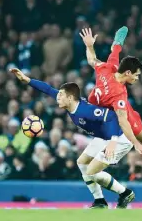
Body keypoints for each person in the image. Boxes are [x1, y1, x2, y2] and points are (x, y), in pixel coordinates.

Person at [10, 68, 135, 209]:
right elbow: (48, 89)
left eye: (61, 95)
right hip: (103, 137)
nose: (57, 97)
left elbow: (111, 116)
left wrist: (112, 141)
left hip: (120, 137)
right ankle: (100, 201)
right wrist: (27, 80)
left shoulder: (85, 111)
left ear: (70, 98)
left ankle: (125, 193)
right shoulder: (71, 104)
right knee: (82, 163)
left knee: (92, 172)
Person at [81, 27, 142, 199]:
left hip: (112, 115)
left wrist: (91, 46)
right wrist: (136, 144)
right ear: (128, 73)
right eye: (136, 75)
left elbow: (92, 59)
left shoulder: (107, 68)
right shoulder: (119, 95)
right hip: (117, 120)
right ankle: (127, 191)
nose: (137, 79)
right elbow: (123, 122)